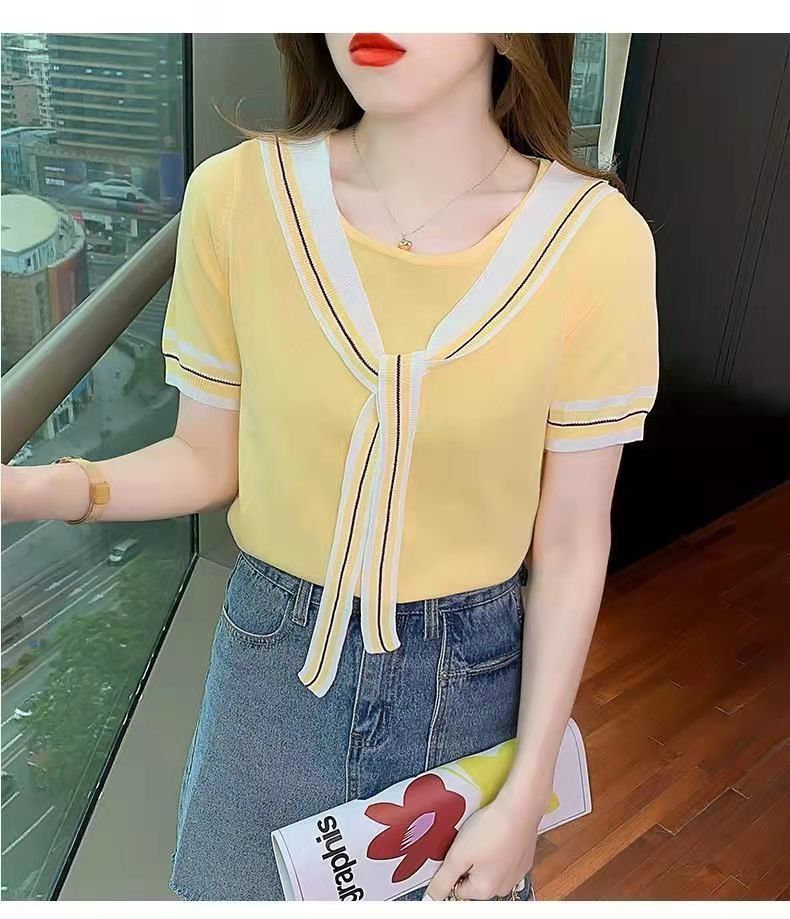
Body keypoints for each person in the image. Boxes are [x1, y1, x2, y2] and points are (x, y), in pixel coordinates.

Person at [1, 34, 659, 901]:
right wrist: (34, 488)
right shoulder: (237, 196)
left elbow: (571, 538)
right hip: (271, 668)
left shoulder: (598, 240)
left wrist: (528, 784)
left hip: (469, 683)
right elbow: (205, 458)